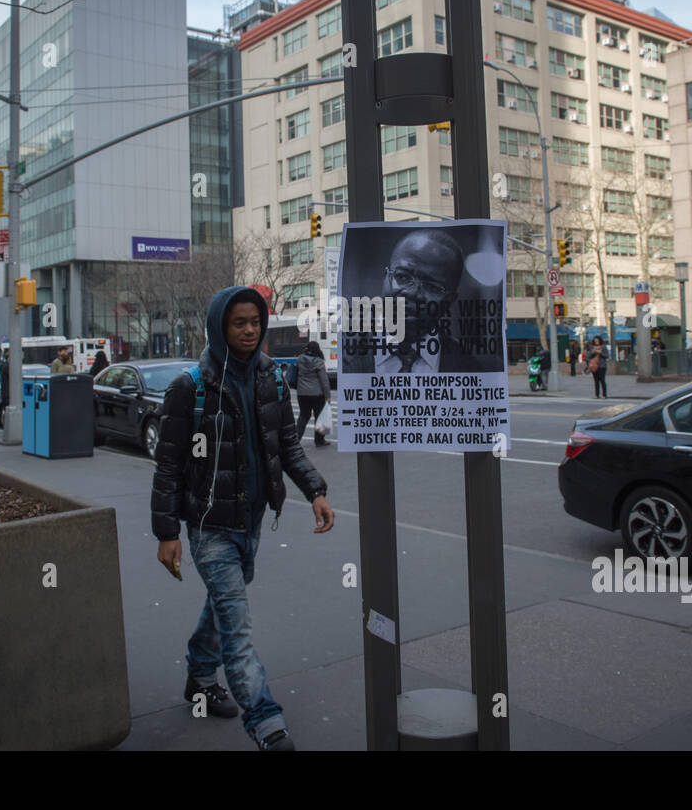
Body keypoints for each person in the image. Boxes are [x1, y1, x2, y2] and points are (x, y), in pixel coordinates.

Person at [151, 286, 334, 751]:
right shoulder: (189, 388)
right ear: (220, 327)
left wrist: (315, 490)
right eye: (239, 323)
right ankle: (267, 722)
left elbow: (287, 446)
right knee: (237, 623)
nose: (250, 330)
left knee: (221, 605)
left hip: (251, 519)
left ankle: (198, 676)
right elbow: (169, 466)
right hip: (209, 526)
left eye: (255, 321)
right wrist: (168, 533)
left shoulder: (272, 379)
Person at [341, 229, 488, 374]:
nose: (413, 293)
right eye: (403, 277)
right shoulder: (345, 359)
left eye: (432, 287)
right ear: (385, 277)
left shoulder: (474, 367)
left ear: (449, 301)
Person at [293, 341, 333, 447]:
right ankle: (319, 441)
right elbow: (324, 380)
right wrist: (328, 395)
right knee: (319, 417)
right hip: (317, 394)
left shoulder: (300, 359)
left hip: (302, 393)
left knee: (303, 416)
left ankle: (295, 440)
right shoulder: (319, 361)